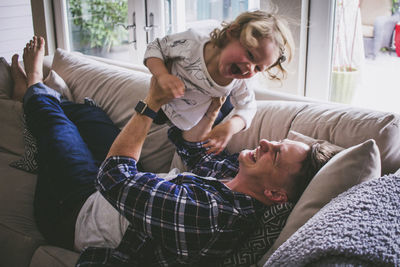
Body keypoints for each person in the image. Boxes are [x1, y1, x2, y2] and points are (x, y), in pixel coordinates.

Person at [12, 36, 338, 267]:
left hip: (74, 210)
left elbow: (113, 177)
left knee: (55, 124)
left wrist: (151, 104)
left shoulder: (216, 218)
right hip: (118, 182)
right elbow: (192, 149)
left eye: (276, 155)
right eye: (277, 143)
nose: (266, 143)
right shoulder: (237, 182)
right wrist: (212, 113)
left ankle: (33, 88)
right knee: (93, 115)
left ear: (275, 193)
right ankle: (41, 98)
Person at [144, 10, 295, 154]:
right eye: (250, 54)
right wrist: (162, 75)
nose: (250, 68)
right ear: (232, 33)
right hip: (164, 104)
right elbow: (155, 47)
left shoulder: (239, 81)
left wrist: (230, 127)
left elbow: (248, 107)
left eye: (258, 68)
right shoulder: (193, 43)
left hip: (197, 118)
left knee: (197, 146)